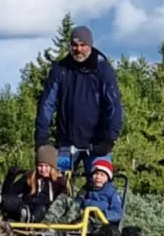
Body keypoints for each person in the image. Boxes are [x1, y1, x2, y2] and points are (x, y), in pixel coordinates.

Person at [34, 25, 123, 181]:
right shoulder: (60, 69)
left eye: (83, 45)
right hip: (66, 145)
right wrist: (42, 137)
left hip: (97, 145)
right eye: (75, 45)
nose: (78, 49)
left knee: (100, 185)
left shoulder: (103, 70)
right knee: (58, 184)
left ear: (90, 45)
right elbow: (47, 104)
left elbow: (113, 106)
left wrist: (110, 139)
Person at [0, 145, 68, 222]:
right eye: (40, 166)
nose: (43, 169)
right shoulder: (30, 177)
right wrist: (10, 176)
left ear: (52, 167)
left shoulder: (58, 182)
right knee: (14, 201)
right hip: (24, 207)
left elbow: (62, 202)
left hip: (43, 213)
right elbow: (10, 193)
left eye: (46, 166)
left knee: (41, 208)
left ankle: (30, 219)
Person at [77, 158, 122, 224]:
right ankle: (58, 225)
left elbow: (117, 213)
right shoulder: (86, 188)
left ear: (107, 178)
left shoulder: (111, 192)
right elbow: (76, 204)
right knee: (64, 198)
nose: (98, 177)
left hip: (99, 223)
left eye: (102, 175)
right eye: (96, 174)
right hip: (82, 217)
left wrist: (102, 215)